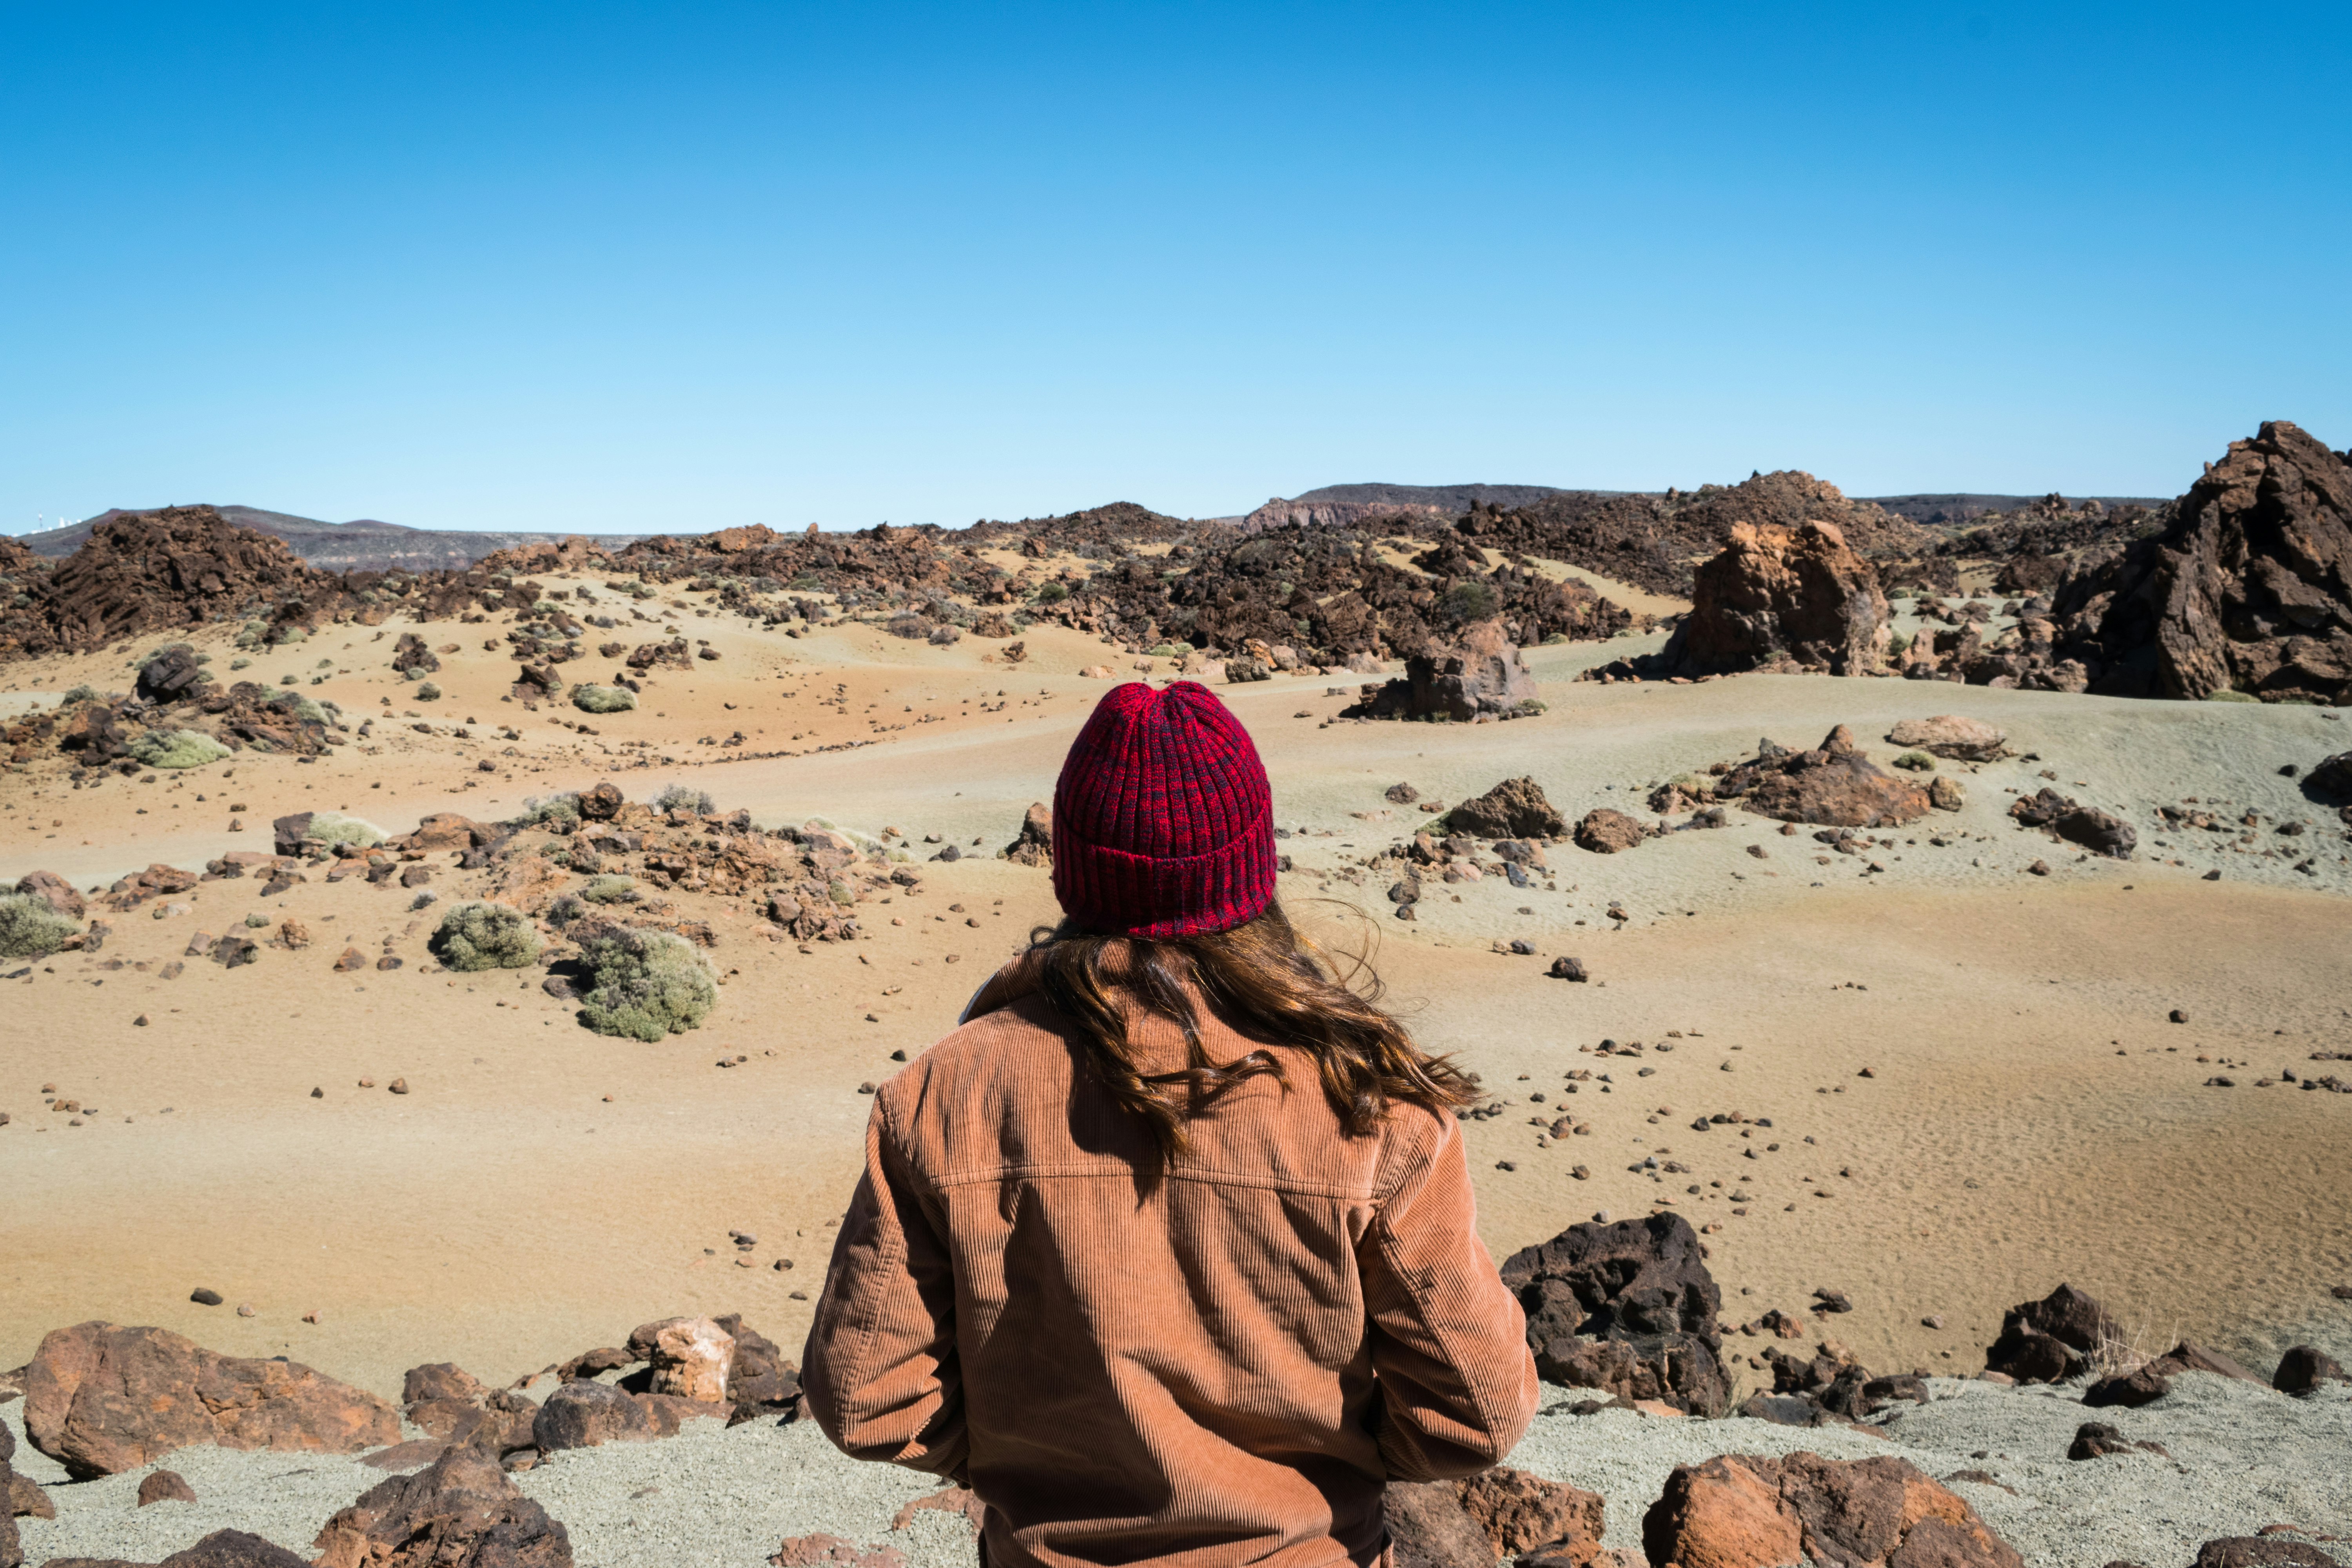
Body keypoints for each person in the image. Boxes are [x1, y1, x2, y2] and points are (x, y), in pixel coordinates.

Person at [802, 680, 1537, 1568]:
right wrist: (1332, 1470)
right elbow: (1479, 1412)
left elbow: (866, 1401)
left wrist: (1021, 1459)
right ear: (1254, 863)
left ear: (1071, 867)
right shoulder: (1370, 1105)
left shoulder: (938, 1093)